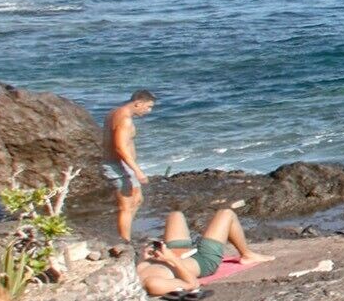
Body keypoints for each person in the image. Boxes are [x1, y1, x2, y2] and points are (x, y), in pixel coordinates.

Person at [103, 90, 155, 244]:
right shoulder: (125, 119)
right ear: (138, 103)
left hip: (121, 164)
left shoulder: (114, 112)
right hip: (119, 165)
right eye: (148, 106)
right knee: (127, 205)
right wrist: (137, 170)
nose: (149, 111)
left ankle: (125, 236)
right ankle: (124, 242)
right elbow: (120, 147)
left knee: (137, 199)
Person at [157, 204, 253, 279]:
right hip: (203, 261)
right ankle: (247, 255)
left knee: (175, 215)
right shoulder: (154, 282)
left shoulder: (144, 270)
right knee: (226, 213)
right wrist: (172, 260)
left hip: (175, 253)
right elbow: (191, 284)